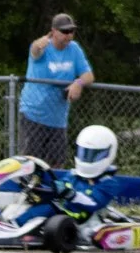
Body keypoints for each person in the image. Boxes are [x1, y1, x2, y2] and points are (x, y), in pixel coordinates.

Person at [19, 13, 93, 170]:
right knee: (31, 164)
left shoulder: (74, 49)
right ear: (53, 31)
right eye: (64, 32)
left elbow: (88, 75)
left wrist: (78, 83)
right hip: (34, 115)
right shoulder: (43, 47)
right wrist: (36, 46)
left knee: (56, 166)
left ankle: (52, 194)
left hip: (58, 119)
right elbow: (35, 51)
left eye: (71, 31)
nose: (69, 36)